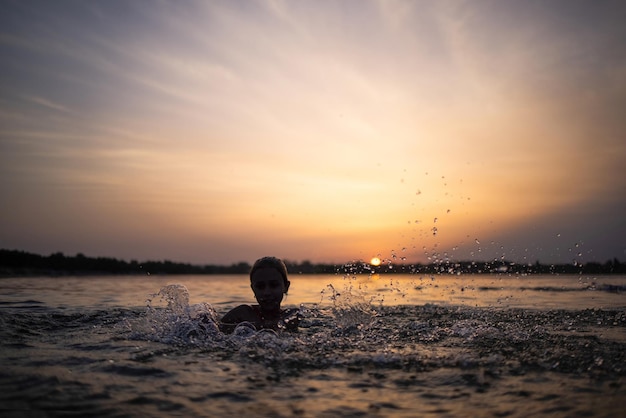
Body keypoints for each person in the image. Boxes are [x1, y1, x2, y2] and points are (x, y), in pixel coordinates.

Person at [220, 256, 300, 333]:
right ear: (253, 289)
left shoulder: (292, 317)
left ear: (286, 287)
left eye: (274, 285)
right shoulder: (242, 314)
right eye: (260, 287)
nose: (267, 292)